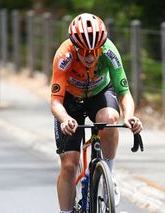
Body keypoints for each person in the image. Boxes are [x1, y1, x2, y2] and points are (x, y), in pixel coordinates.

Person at [50, 13, 143, 213]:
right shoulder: (63, 56)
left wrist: (129, 117)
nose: (90, 56)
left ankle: (108, 174)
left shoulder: (109, 51)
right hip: (69, 102)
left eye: (94, 50)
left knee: (110, 119)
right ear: (75, 47)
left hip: (99, 94)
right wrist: (65, 119)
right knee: (69, 165)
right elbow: (55, 102)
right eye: (84, 51)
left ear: (101, 46)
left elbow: (124, 93)